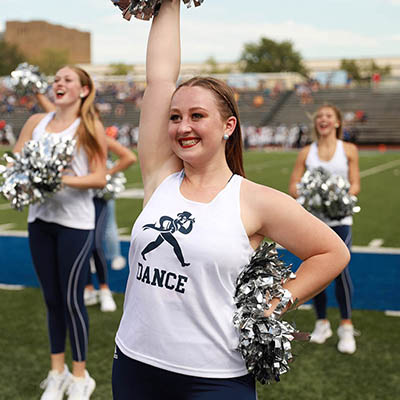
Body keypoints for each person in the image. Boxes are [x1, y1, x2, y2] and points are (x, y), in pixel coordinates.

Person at [112, 2, 350, 399]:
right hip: (134, 364)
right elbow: (159, 79)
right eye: (174, 117)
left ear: (228, 126)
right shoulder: (160, 179)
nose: (183, 126)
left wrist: (275, 303)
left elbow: (332, 252)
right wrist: (168, 3)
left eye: (196, 116)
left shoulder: (255, 200)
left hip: (214, 377)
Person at [13, 65, 107, 400]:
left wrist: (58, 178)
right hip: (40, 220)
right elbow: (16, 160)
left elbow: (99, 178)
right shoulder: (35, 123)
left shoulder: (89, 126)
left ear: (83, 90)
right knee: (51, 300)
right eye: (55, 80)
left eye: (67, 79)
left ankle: (81, 376)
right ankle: (57, 372)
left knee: (71, 300)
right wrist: (20, 175)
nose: (58, 84)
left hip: (75, 224)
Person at [35, 92, 137, 312]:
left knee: (95, 244)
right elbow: (52, 111)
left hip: (97, 196)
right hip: (76, 197)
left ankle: (105, 289)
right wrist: (37, 93)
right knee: (81, 247)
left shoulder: (97, 135)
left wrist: (107, 172)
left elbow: (129, 156)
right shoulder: (70, 133)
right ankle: (89, 288)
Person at [289, 104, 361, 354]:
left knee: (340, 272)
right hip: (314, 222)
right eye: (319, 116)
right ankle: (321, 323)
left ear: (337, 122)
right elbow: (293, 186)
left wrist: (335, 198)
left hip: (340, 220)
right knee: (315, 272)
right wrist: (312, 195)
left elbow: (355, 185)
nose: (323, 119)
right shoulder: (307, 152)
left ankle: (346, 326)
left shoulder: (348, 149)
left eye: (328, 116)